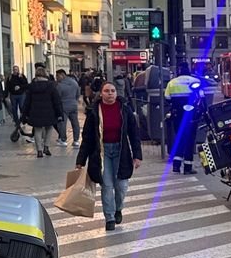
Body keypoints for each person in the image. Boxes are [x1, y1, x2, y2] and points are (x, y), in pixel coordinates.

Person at [77, 81, 143, 231]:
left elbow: (134, 134)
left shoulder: (124, 109)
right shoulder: (94, 112)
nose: (110, 94)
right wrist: (80, 160)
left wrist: (137, 155)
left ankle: (118, 208)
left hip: (121, 152)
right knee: (107, 186)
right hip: (102, 152)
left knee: (121, 186)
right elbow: (87, 138)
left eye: (113, 91)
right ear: (101, 94)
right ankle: (110, 218)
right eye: (107, 91)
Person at [163, 71, 203, 174]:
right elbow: (201, 97)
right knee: (190, 140)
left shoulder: (172, 82)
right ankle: (187, 167)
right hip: (191, 115)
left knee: (180, 138)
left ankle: (176, 166)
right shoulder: (195, 81)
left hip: (177, 114)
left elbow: (167, 98)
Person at [21, 66, 63, 157]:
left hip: (35, 111)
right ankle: (46, 147)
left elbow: (27, 101)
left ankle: (39, 151)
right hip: (49, 111)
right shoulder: (51, 86)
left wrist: (24, 114)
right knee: (49, 128)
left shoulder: (32, 86)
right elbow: (56, 100)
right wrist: (59, 113)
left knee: (37, 130)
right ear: (45, 75)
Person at [54, 69, 82, 148]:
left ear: (62, 75)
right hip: (73, 105)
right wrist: (74, 101)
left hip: (63, 106)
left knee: (62, 123)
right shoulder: (74, 82)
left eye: (57, 76)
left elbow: (57, 97)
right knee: (75, 123)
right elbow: (78, 94)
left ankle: (63, 140)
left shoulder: (59, 85)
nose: (57, 78)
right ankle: (76, 140)